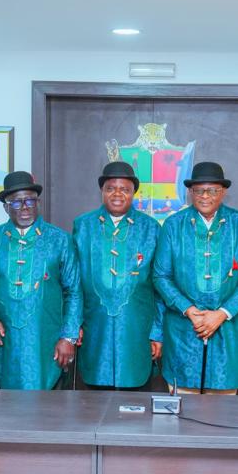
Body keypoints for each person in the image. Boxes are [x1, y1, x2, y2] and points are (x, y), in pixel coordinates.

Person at [153, 162, 238, 394]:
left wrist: (222, 313)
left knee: (223, 408)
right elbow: (161, 275)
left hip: (229, 331)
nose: (205, 196)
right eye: (199, 190)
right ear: (190, 192)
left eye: (212, 190)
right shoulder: (173, 225)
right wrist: (189, 310)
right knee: (182, 406)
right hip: (183, 332)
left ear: (223, 192)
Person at [0, 172, 82, 390]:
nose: (24, 207)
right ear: (6, 207)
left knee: (50, 406)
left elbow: (73, 291)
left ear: (38, 203)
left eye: (30, 201)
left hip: (47, 342)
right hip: (5, 344)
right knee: (4, 405)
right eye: (16, 202)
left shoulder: (60, 239)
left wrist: (68, 337)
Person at [73, 162, 163, 390]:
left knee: (135, 399)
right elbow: (73, 284)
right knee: (94, 399)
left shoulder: (151, 228)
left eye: (125, 189)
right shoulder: (83, 226)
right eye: (111, 188)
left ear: (133, 193)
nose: (117, 194)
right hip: (94, 329)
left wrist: (157, 332)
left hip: (137, 330)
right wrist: (74, 325)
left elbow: (160, 286)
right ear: (102, 191)